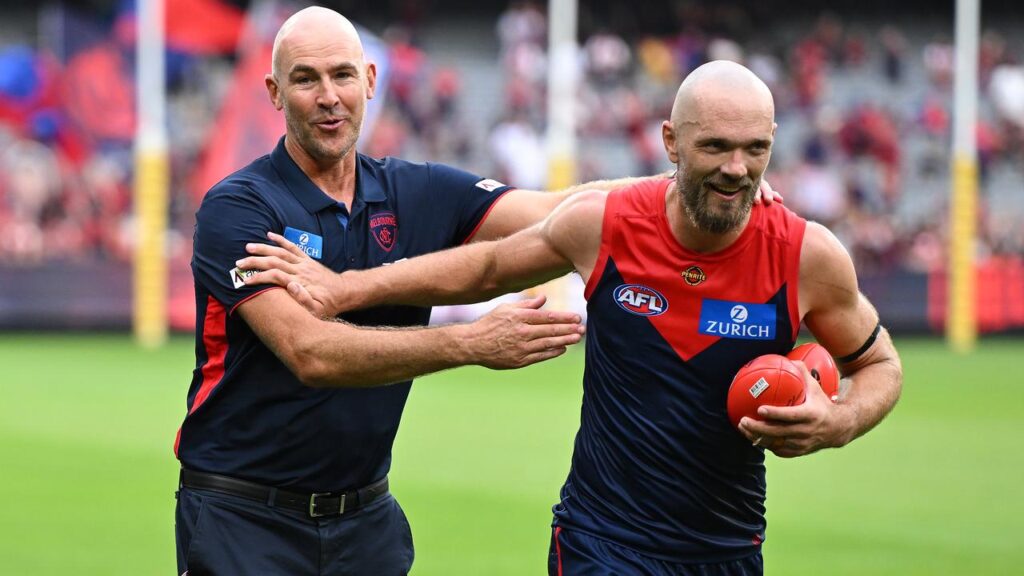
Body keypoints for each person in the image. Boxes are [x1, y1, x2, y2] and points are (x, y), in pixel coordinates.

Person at [176, 7, 782, 576]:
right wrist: (471, 343)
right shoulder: (241, 207)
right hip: (242, 515)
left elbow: (561, 208)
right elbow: (311, 352)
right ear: (275, 94)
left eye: (341, 75)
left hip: (363, 522)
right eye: (305, 80)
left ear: (369, 80)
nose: (328, 96)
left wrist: (703, 177)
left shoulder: (413, 191)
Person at [239, 60, 902, 575]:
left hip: (728, 547)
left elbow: (876, 364)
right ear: (671, 141)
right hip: (600, 542)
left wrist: (838, 421)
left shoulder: (807, 256)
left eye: (755, 149)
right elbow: (486, 266)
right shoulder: (606, 225)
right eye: (717, 148)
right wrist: (343, 289)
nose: (737, 169)